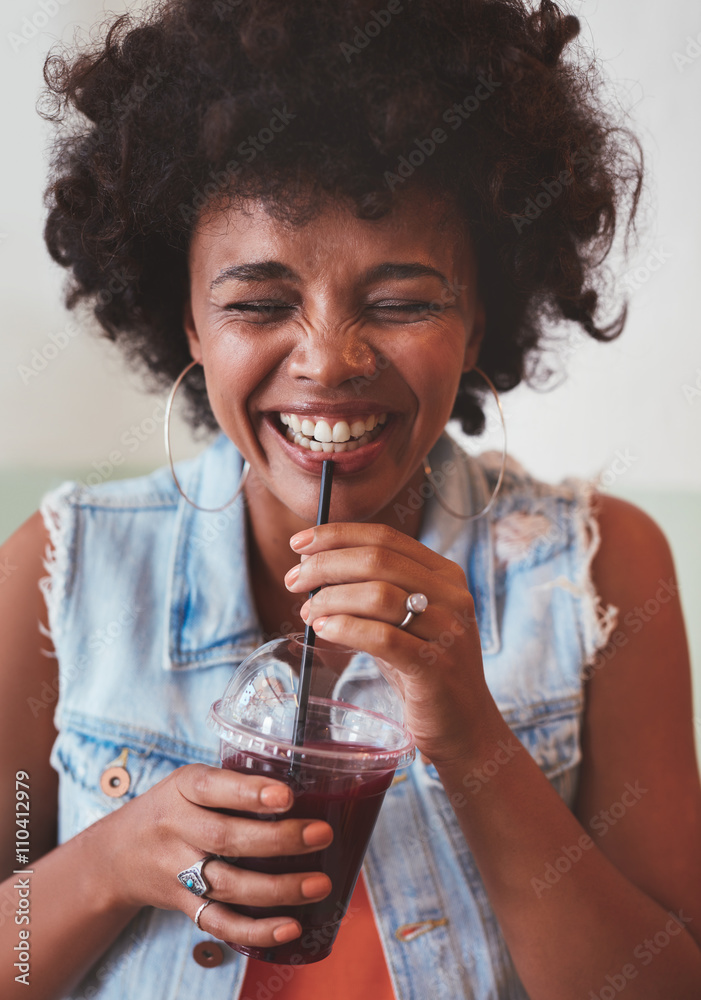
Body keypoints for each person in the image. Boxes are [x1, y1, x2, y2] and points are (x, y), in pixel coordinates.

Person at [1, 0, 700, 997]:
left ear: (478, 315)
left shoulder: (598, 570)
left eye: (401, 300)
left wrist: (469, 733)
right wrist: (110, 862)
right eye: (256, 302)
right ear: (185, 321)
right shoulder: (57, 574)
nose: (329, 359)